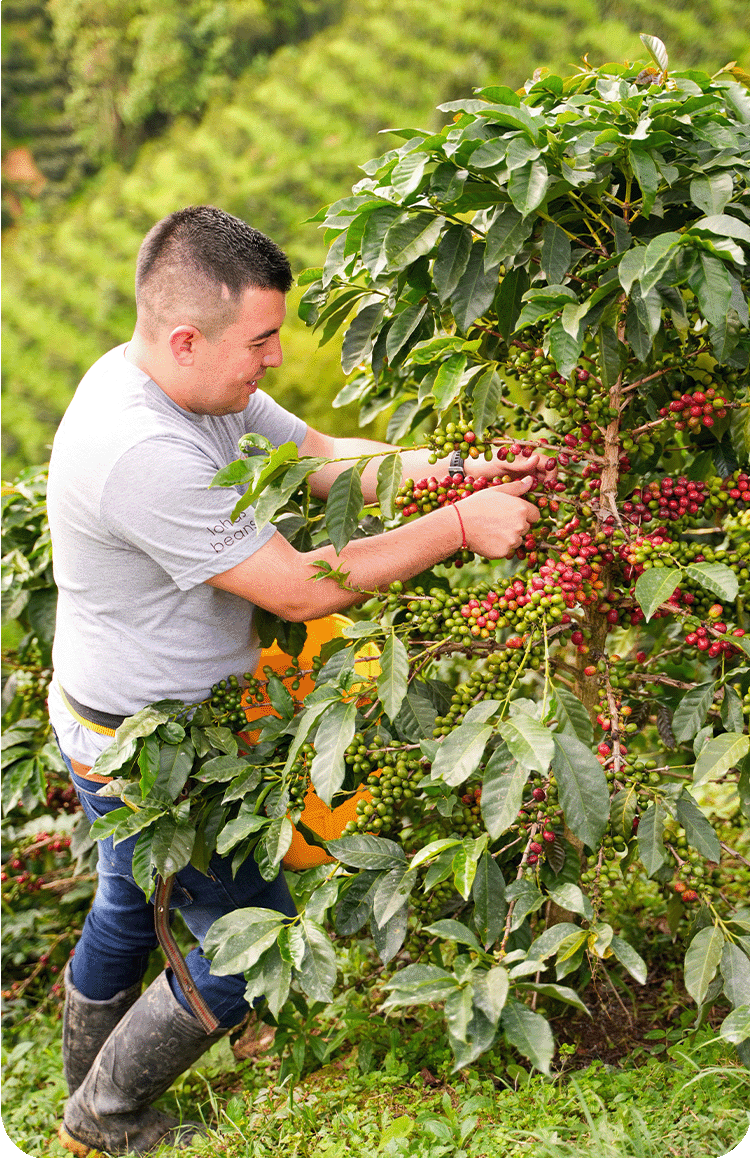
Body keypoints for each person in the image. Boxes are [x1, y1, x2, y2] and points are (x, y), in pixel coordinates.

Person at [47, 205, 542, 1155]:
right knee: (251, 944)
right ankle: (103, 1120)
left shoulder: (191, 384)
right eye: (262, 340)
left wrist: (459, 473)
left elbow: (321, 459)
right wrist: (457, 527)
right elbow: (297, 586)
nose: (275, 358)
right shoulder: (141, 450)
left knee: (125, 901)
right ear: (187, 337)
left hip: (114, 709)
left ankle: (90, 1089)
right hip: (144, 748)